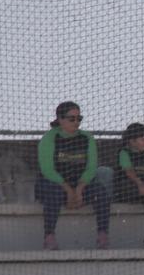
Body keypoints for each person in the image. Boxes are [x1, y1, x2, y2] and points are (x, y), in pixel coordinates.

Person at [36, 100, 111, 250]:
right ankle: (49, 236)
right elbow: (47, 169)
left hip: (81, 186)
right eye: (72, 119)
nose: (76, 122)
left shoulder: (87, 138)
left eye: (79, 118)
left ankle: (103, 235)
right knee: (54, 193)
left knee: (101, 193)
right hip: (54, 184)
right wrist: (68, 190)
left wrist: (79, 188)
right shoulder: (49, 138)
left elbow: (91, 167)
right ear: (60, 119)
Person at [112, 122, 144, 248]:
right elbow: (129, 171)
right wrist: (140, 185)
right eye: (142, 139)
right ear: (132, 141)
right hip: (127, 189)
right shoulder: (124, 152)